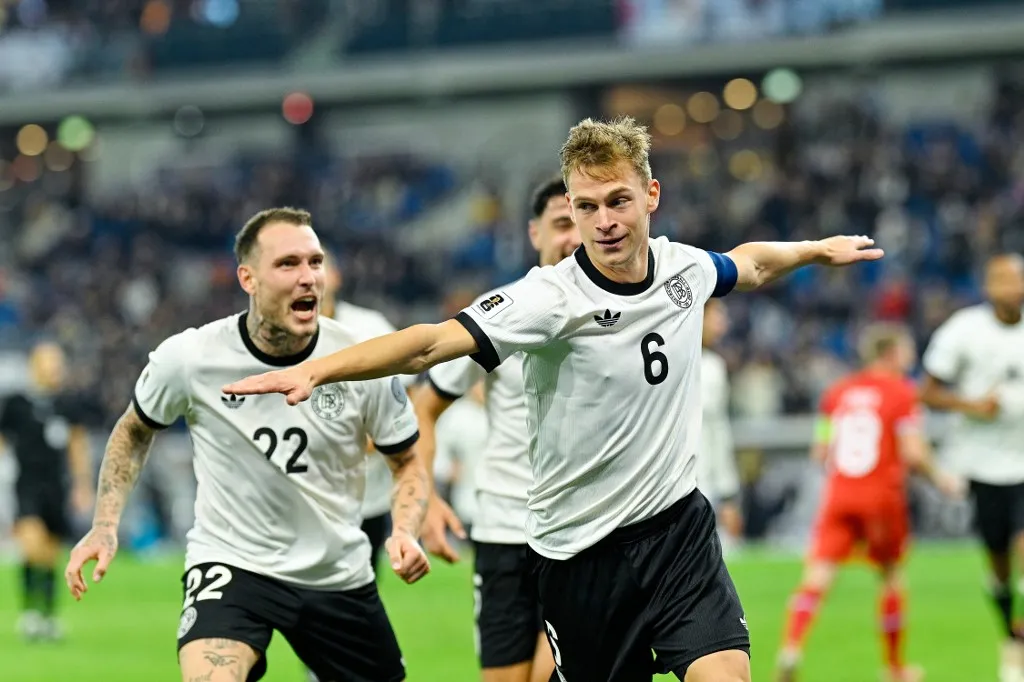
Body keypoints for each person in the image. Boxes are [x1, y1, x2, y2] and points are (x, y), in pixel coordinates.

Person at [221, 116, 883, 682]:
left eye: (618, 202)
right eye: (586, 207)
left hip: (677, 531)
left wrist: (816, 251)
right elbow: (429, 345)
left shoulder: (684, 269)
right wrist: (320, 370)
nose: (603, 222)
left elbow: (754, 262)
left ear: (652, 195)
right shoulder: (547, 299)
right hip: (579, 551)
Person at [64, 207, 431, 682]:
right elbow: (134, 429)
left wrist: (404, 530)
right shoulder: (192, 358)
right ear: (248, 278)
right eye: (288, 264)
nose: (308, 278)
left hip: (334, 572)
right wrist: (105, 524)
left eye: (315, 262)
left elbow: (407, 463)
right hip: (232, 564)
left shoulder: (361, 360)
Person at [413, 176, 578, 682]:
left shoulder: (618, 311)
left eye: (583, 221)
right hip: (503, 531)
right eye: (562, 224)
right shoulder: (502, 313)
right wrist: (425, 499)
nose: (574, 236)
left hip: (581, 535)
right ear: (535, 234)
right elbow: (424, 406)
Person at [775, 323, 963, 682]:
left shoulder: (837, 393)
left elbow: (820, 452)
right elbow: (912, 450)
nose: (911, 358)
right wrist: (942, 478)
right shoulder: (902, 393)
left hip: (840, 494)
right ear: (890, 353)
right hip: (881, 496)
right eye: (907, 351)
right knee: (891, 577)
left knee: (817, 577)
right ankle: (895, 668)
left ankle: (791, 647)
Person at [920, 253, 1024, 682]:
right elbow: (927, 392)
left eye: (1016, 279)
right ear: (987, 287)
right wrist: (972, 405)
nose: (1010, 287)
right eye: (1001, 280)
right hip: (982, 464)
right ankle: (1011, 636)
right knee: (998, 562)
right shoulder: (964, 330)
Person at [321, 248, 419, 574]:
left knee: (362, 586)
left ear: (336, 276)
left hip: (368, 492)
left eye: (319, 265)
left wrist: (380, 438)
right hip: (306, 493)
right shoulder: (280, 335)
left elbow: (409, 389)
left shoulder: (369, 326)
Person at [0, 341, 94, 642]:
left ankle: (49, 616)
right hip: (26, 483)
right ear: (35, 366)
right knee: (32, 546)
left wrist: (82, 484)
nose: (56, 369)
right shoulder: (16, 402)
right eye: (49, 363)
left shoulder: (67, 404)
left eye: (58, 363)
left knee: (51, 554)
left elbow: (77, 445)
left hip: (57, 485)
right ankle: (30, 613)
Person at [697, 299, 743, 552]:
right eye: (717, 317)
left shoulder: (713, 367)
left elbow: (718, 433)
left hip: (702, 484)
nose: (723, 326)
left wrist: (728, 495)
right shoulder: (664, 360)